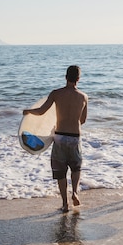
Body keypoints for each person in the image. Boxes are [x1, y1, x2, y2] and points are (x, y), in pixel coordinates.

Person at [23, 65, 88, 213]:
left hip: (60, 137)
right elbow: (82, 120)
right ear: (78, 79)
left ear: (65, 77)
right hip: (75, 137)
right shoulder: (83, 97)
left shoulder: (56, 93)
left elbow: (41, 111)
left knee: (60, 171)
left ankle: (65, 204)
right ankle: (75, 192)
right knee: (75, 167)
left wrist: (28, 111)